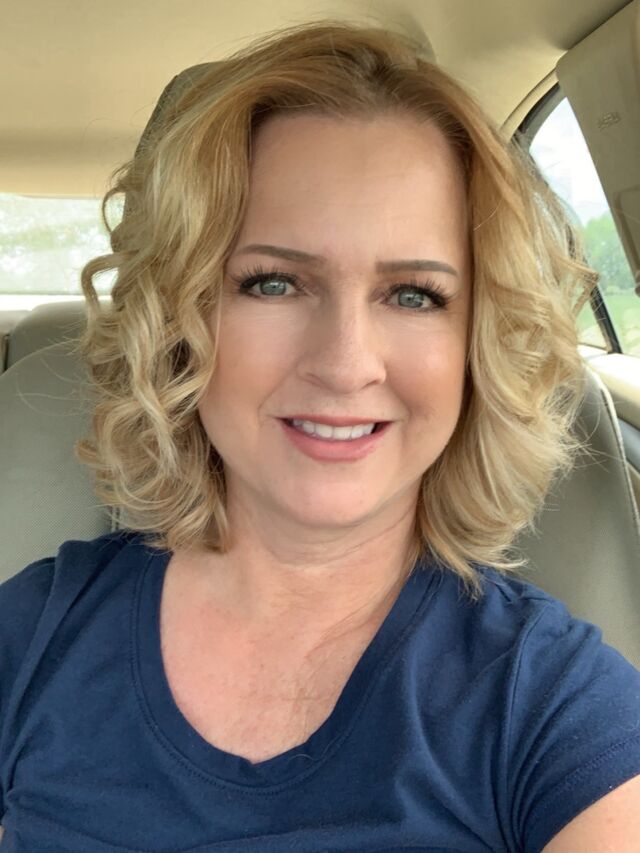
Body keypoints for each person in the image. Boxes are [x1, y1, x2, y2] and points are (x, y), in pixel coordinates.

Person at [1, 20, 639, 852]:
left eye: (413, 295)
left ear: (476, 345)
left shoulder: (553, 703)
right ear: (183, 322)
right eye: (274, 282)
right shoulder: (31, 635)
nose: (344, 364)